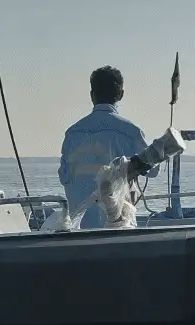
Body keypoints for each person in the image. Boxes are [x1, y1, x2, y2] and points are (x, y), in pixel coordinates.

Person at [56, 66, 157, 229]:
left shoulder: (72, 133)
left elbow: (64, 177)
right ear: (121, 94)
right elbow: (153, 170)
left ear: (92, 95)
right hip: (118, 229)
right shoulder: (131, 132)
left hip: (79, 230)